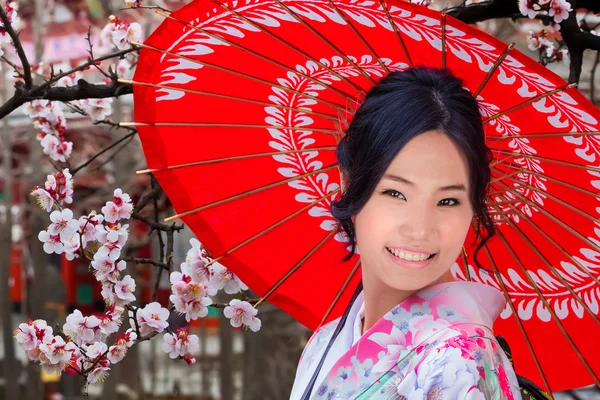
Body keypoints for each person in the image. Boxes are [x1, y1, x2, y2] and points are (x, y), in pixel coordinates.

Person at [289, 66, 524, 400]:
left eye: (447, 200)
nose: (419, 228)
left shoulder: (461, 362)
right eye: (395, 193)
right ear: (347, 182)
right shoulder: (324, 344)